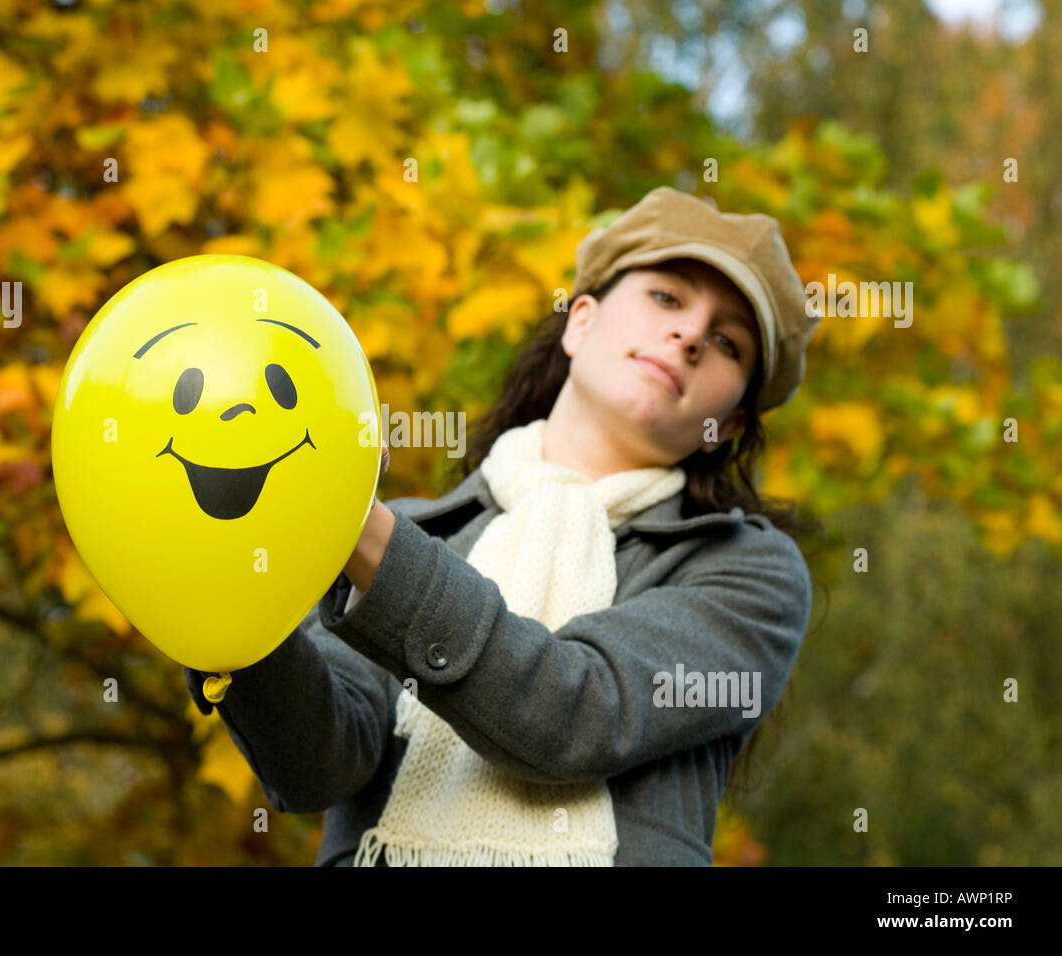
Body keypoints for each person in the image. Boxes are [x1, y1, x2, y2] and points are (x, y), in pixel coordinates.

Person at [185, 186, 823, 866]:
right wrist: (224, 612)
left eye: (727, 340)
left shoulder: (749, 571)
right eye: (667, 298)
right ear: (580, 321)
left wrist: (353, 527)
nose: (691, 334)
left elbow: (575, 712)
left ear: (725, 426)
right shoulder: (408, 535)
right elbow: (319, 766)